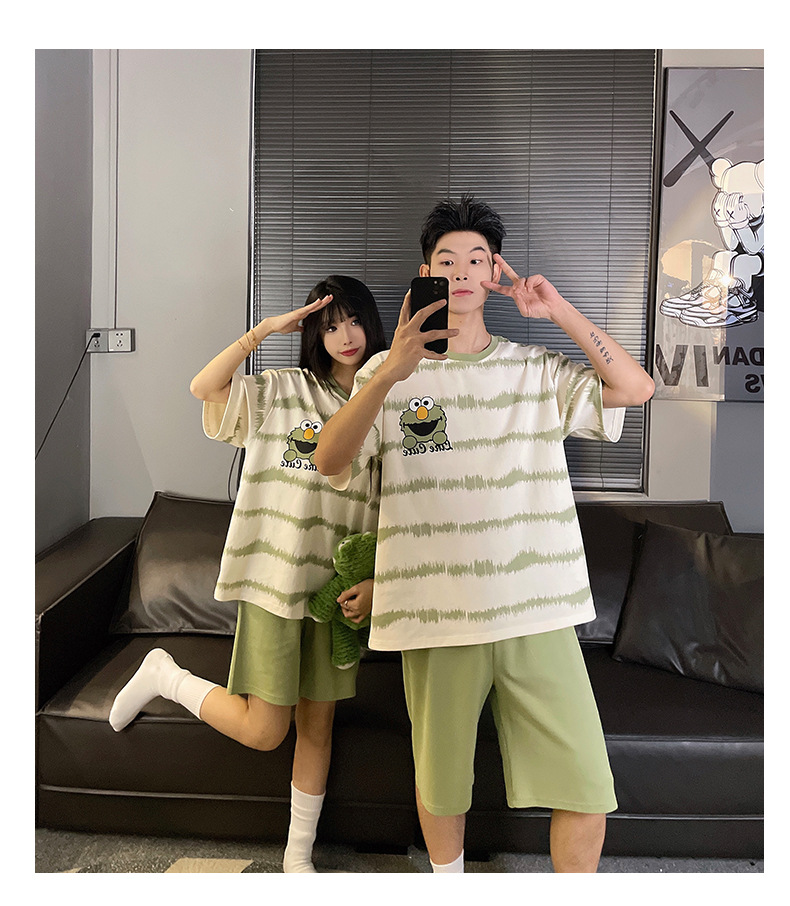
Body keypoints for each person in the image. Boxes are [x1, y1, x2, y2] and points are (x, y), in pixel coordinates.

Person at [314, 197, 655, 873]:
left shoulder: (535, 368)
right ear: (426, 274)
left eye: (478, 259)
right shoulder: (389, 372)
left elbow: (636, 388)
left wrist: (556, 309)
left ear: (494, 273)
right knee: (442, 785)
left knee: (587, 785)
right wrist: (389, 373)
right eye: (448, 259)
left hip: (538, 609)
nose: (463, 271)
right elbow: (328, 460)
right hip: (435, 614)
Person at [109, 275, 386, 873]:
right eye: (329, 325)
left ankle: (296, 859)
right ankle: (166, 676)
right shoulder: (283, 389)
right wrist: (263, 331)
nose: (345, 335)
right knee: (266, 732)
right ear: (313, 334)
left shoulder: (386, 400)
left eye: (353, 320)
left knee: (318, 728)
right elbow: (204, 387)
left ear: (372, 323)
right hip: (274, 584)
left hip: (336, 593)